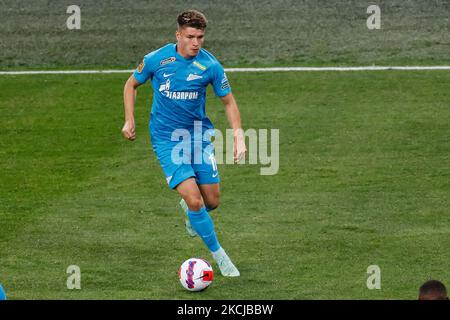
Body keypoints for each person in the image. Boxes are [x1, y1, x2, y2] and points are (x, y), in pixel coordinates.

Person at [121, 10, 246, 277]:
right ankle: (220, 257)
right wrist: (129, 120)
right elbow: (131, 85)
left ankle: (191, 213)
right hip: (167, 139)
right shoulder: (157, 60)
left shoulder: (210, 66)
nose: (196, 42)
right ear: (178, 34)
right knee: (195, 200)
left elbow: (229, 102)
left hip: (198, 136)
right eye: (190, 36)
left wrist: (238, 135)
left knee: (212, 201)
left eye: (200, 37)